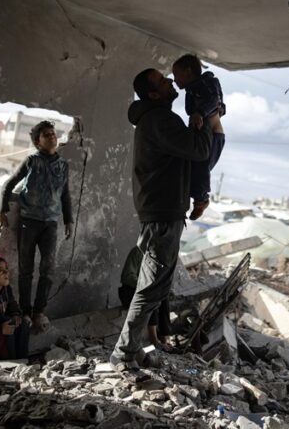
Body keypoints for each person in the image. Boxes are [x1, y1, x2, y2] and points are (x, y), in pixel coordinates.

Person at [110, 68, 211, 371]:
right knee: (151, 288)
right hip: (162, 214)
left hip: (163, 213)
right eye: (162, 81)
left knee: (154, 287)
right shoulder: (159, 120)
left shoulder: (155, 119)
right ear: (153, 94)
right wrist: (203, 125)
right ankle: (123, 354)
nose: (170, 81)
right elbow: (199, 149)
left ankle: (130, 348)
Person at [0, 121, 73, 333]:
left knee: (48, 269)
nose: (52, 137)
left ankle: (39, 310)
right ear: (37, 142)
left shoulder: (63, 165)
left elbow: (65, 194)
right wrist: (2, 210)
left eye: (53, 134)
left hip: (50, 223)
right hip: (28, 221)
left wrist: (69, 220)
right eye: (46, 135)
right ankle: (25, 311)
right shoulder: (32, 161)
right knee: (25, 269)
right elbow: (9, 184)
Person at [172, 54, 226, 221]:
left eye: (176, 75)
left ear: (188, 72)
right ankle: (197, 197)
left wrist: (200, 113)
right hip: (203, 136)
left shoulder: (207, 83)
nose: (174, 80)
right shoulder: (192, 90)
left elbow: (214, 99)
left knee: (200, 166)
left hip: (212, 136)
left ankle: (201, 199)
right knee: (193, 169)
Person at [118, 246, 172, 348]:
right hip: (129, 291)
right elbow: (127, 276)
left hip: (147, 290)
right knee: (151, 297)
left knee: (164, 297)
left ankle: (165, 339)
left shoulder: (160, 255)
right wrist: (146, 286)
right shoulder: (138, 252)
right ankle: (154, 340)